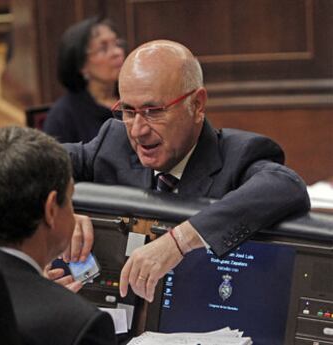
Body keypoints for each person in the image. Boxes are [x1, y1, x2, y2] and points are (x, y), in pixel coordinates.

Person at [63, 40, 310, 303]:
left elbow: (286, 186)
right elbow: (33, 164)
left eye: (152, 111)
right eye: (128, 111)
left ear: (197, 104)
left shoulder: (239, 156)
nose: (137, 130)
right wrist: (62, 208)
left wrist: (179, 241)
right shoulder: (112, 142)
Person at [0, 127, 116, 345]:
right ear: (51, 210)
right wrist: (51, 301)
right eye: (70, 199)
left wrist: (41, 291)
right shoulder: (80, 325)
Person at [44, 16, 125, 143]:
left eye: (117, 44)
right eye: (103, 48)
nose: (117, 52)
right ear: (82, 65)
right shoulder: (62, 116)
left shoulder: (132, 100)